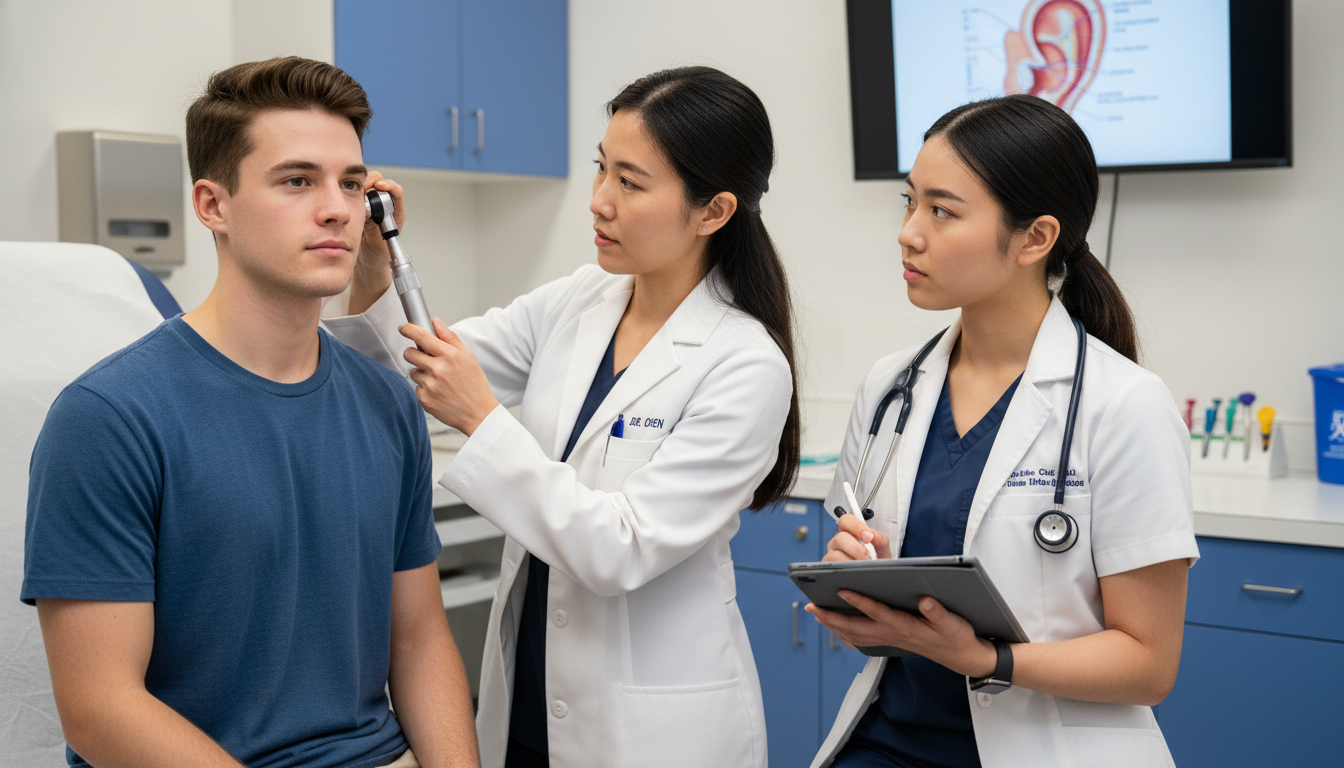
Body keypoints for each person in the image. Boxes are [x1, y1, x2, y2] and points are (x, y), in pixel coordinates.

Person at [326, 66, 799, 768]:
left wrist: (482, 419)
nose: (599, 202)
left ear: (713, 211)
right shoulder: (584, 298)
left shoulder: (745, 365)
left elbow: (620, 548)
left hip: (654, 733)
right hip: (531, 696)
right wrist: (377, 268)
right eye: (601, 170)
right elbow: (419, 362)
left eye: (631, 183)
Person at [22, 57, 478, 768]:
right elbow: (100, 709)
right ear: (213, 205)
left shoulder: (387, 402)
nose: (337, 209)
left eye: (352, 184)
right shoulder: (109, 418)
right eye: (297, 181)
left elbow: (418, 640)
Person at [805, 95, 1198, 768]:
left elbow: (1148, 664)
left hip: (1047, 747)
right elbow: (877, 613)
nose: (908, 232)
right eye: (909, 202)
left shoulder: (1125, 405)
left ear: (1034, 238)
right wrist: (855, 585)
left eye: (941, 210)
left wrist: (988, 659)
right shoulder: (888, 387)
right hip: (888, 740)